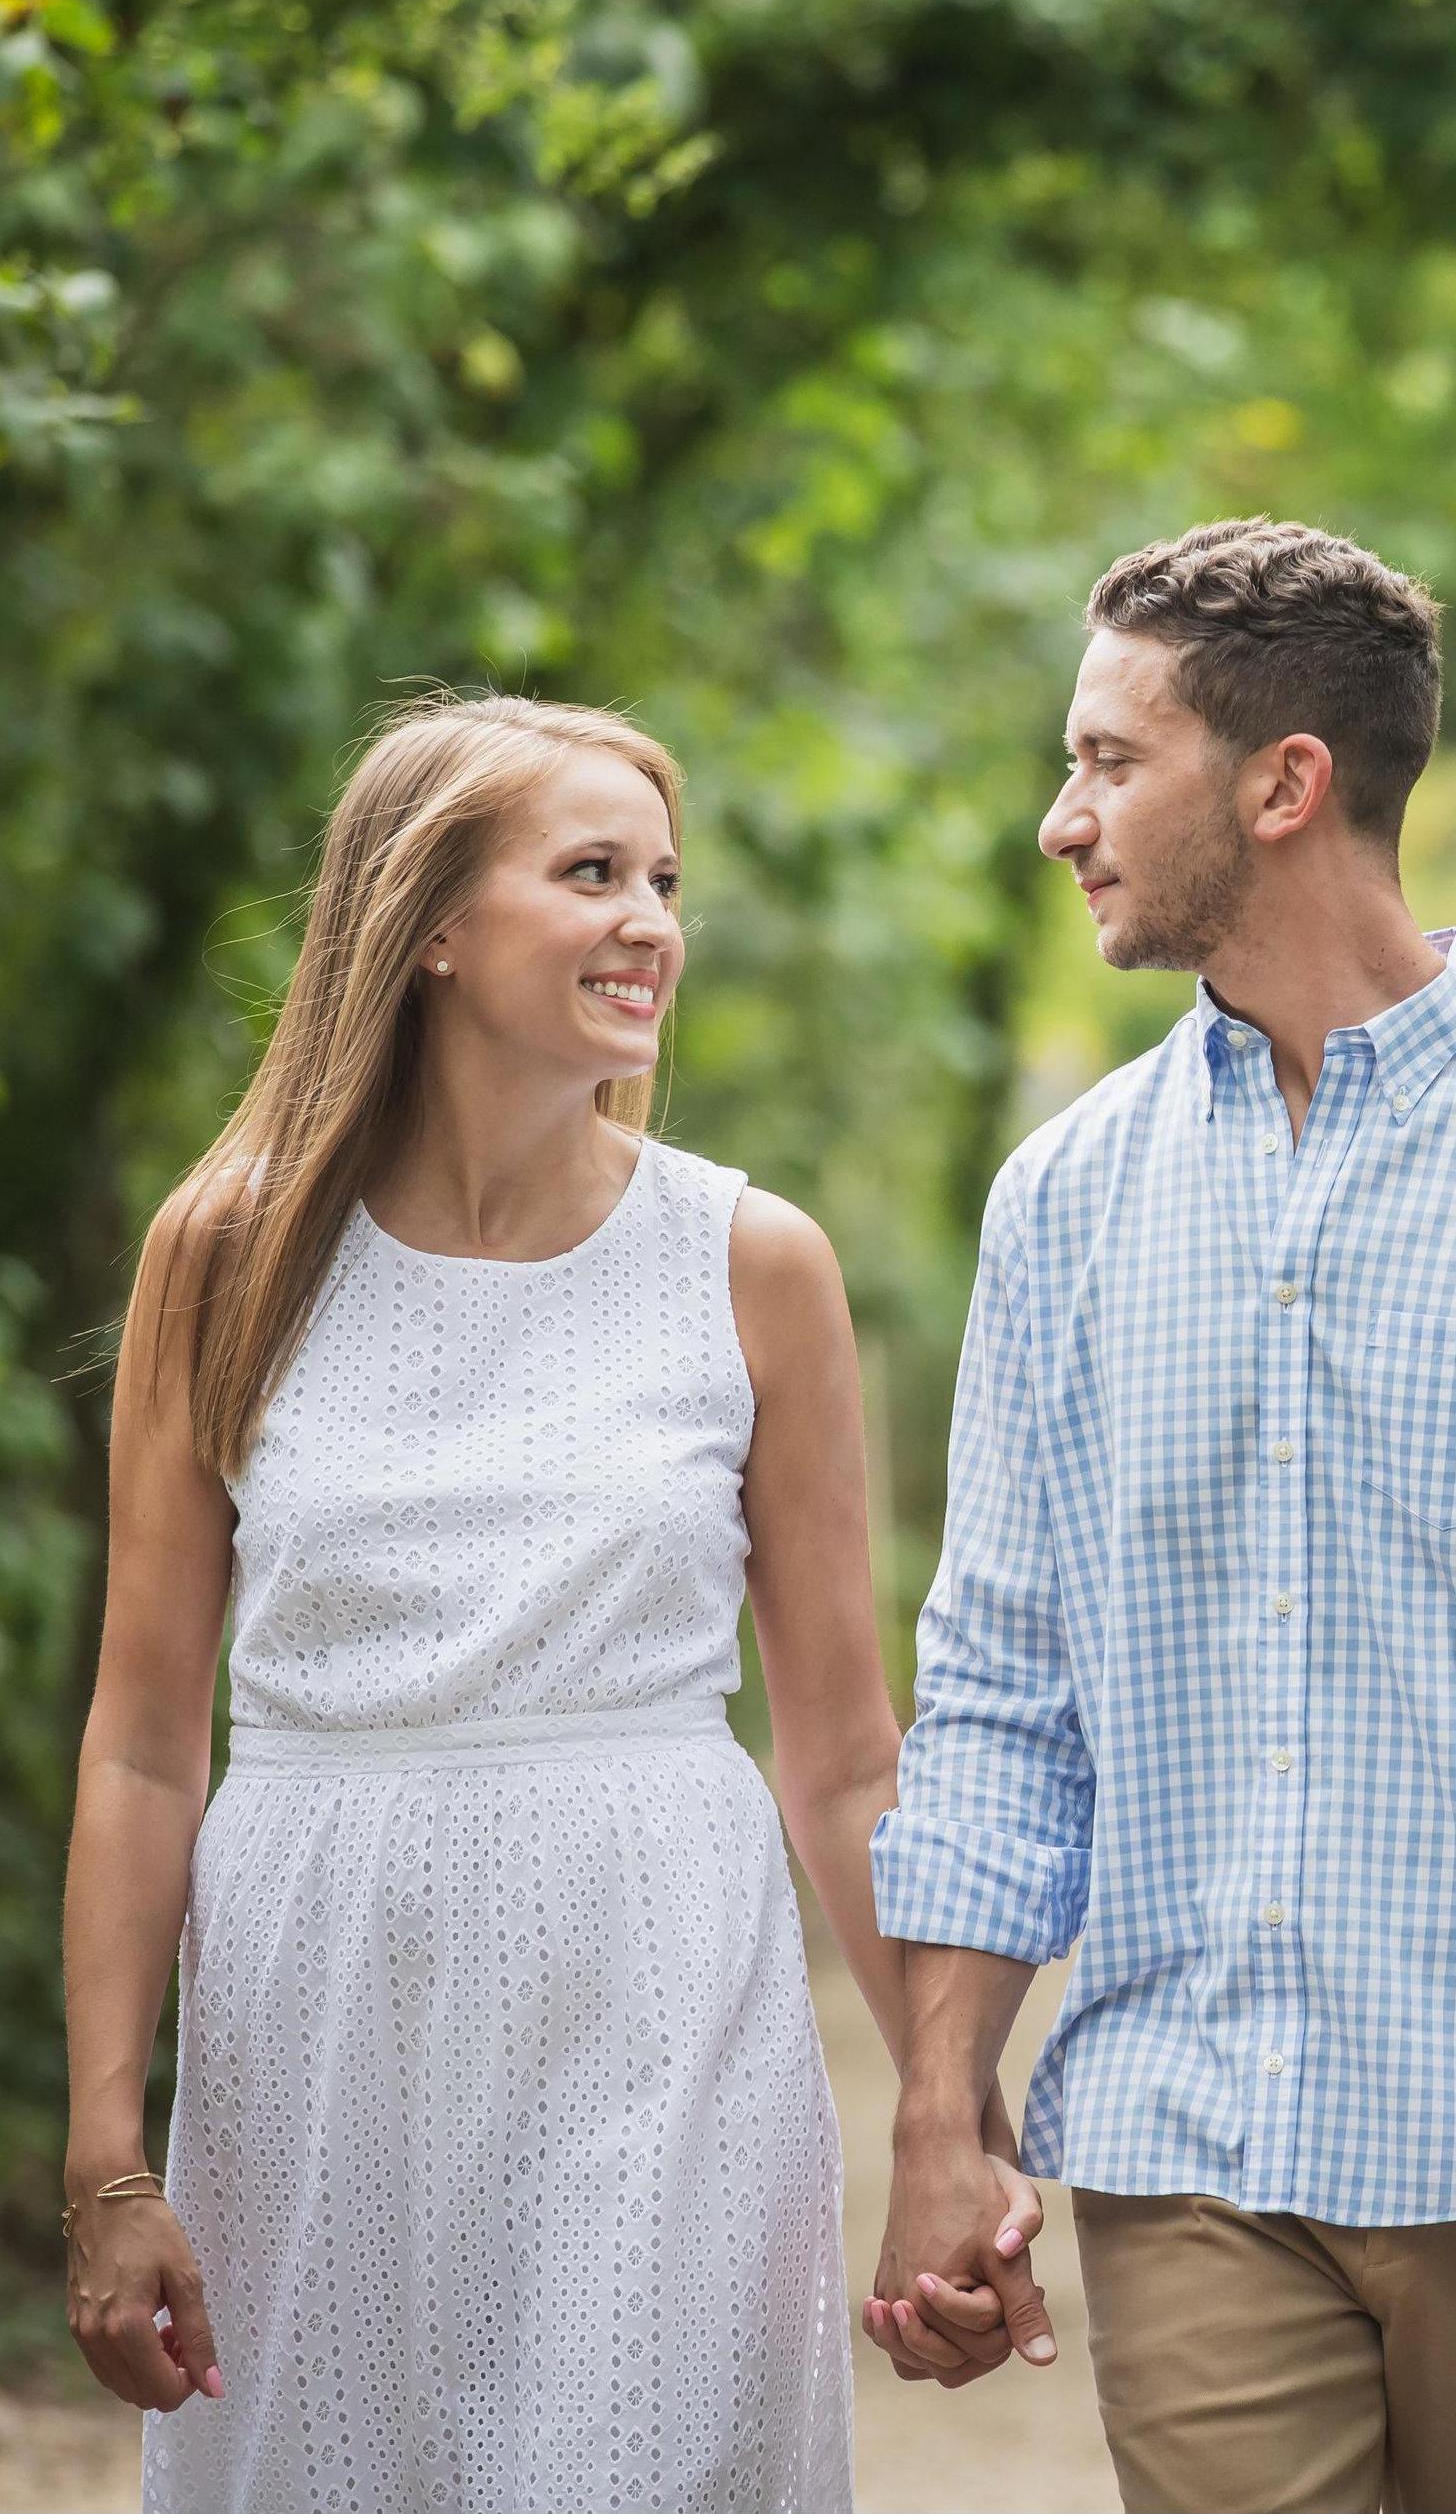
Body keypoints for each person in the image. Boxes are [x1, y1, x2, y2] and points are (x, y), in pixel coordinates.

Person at [872, 521, 1456, 2513]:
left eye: (1105, 760)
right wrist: (938, 2105)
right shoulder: (1063, 1203)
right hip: (1179, 2137)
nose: (1061, 819)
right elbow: (995, 1684)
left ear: (1284, 784)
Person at [60, 693, 1020, 2514]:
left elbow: (839, 1755)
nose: (652, 918)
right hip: (313, 2021)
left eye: (664, 878)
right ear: (427, 924)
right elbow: (139, 1746)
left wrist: (946, 2119)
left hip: (655, 1990)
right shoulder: (226, 1252)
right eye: (592, 874)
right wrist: (109, 2164)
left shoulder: (752, 1260)